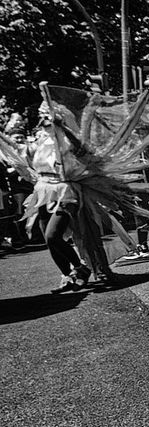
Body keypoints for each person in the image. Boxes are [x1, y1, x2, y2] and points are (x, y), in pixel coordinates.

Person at [23, 102, 91, 291]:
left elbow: (83, 150)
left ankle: (80, 268)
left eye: (48, 115)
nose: (44, 119)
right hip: (42, 191)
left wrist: (63, 128)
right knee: (48, 240)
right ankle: (67, 276)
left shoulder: (69, 141)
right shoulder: (40, 141)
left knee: (53, 236)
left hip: (64, 191)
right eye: (41, 115)